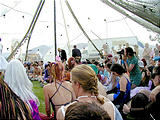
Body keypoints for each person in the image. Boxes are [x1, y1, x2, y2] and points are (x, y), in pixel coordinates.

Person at [57, 64, 123, 120]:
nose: (71, 85)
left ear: (77, 84)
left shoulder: (63, 111)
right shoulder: (108, 106)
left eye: (71, 82)